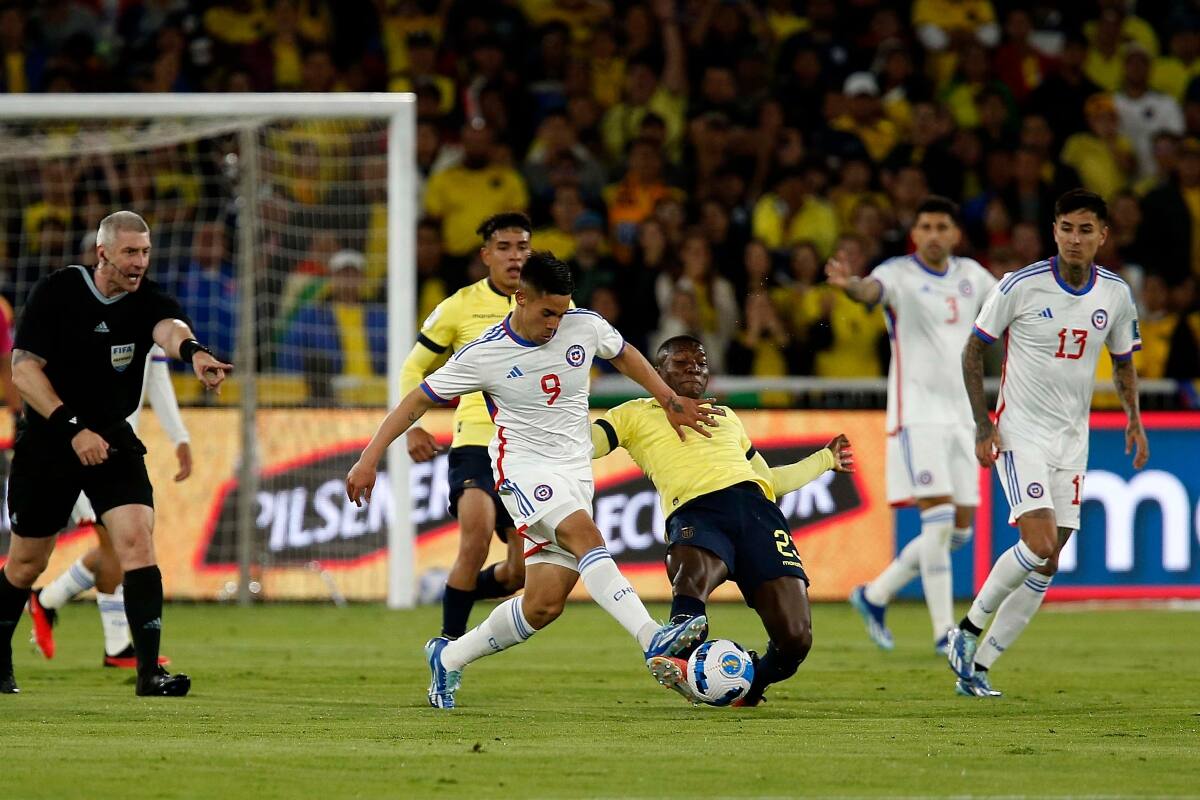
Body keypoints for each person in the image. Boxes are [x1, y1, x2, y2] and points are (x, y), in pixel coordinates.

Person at [346, 252, 720, 709]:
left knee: (542, 606)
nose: (556, 324)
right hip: (523, 471)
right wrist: (369, 457)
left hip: (576, 472)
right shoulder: (484, 354)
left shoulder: (583, 324)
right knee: (587, 538)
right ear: (521, 298)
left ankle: (447, 658)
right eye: (547, 313)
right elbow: (417, 401)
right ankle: (652, 639)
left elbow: (624, 355)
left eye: (562, 312)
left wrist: (666, 398)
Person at [0, 211, 231, 696]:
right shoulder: (57, 292)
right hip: (50, 438)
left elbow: (170, 328)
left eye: (145, 252)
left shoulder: (146, 300)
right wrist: (71, 428)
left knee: (136, 542)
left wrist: (196, 354)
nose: (139, 262)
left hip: (112, 438)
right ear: (102, 253)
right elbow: (23, 371)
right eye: (130, 252)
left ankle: (149, 672)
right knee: (26, 562)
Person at [949, 189, 1148, 697]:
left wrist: (1134, 419)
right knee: (1037, 544)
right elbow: (974, 351)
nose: (1074, 239)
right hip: (1021, 433)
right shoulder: (1020, 285)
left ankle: (981, 667)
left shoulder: (1116, 295)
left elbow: (1123, 361)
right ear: (1053, 231)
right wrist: (982, 424)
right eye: (1066, 228)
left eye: (1085, 229)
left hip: (1071, 441)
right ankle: (967, 631)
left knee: (1049, 560)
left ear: (1103, 235)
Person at [591, 335, 854, 707]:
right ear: (657, 369)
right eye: (681, 363)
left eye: (700, 363)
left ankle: (749, 688)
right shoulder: (632, 414)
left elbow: (772, 481)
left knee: (796, 640)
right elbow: (587, 443)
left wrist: (825, 460)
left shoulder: (726, 417)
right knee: (692, 575)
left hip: (758, 512)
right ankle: (678, 636)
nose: (693, 368)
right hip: (697, 510)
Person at [825, 196, 998, 654]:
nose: (935, 233)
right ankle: (946, 634)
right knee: (938, 523)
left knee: (959, 532)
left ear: (955, 234)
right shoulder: (897, 274)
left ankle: (875, 593)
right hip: (917, 414)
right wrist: (849, 286)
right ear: (914, 234)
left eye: (943, 225)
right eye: (926, 226)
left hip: (965, 416)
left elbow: (1007, 307)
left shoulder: (973, 277)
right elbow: (870, 292)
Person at [400, 212, 532, 643]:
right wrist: (412, 427)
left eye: (522, 247)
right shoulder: (459, 306)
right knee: (474, 538)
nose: (515, 257)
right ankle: (447, 649)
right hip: (474, 441)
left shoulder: (547, 306)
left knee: (519, 572)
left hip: (525, 448)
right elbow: (413, 367)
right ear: (486, 255)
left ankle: (453, 593)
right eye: (505, 248)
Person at [26, 343, 191, 668]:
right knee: (114, 546)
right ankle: (51, 603)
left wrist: (180, 438)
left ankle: (102, 638)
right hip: (80, 447)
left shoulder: (148, 317)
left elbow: (156, 378)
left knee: (117, 547)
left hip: (122, 453)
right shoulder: (86, 316)